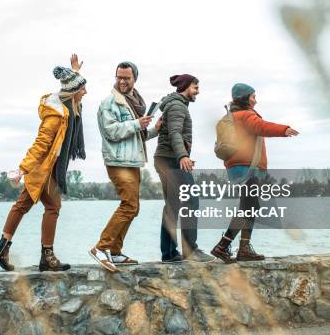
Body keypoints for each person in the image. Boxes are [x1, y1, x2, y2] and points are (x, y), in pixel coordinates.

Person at [0, 54, 87, 272]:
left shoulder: (69, 108)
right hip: (43, 169)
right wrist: (23, 168)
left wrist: (75, 72)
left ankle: (5, 248)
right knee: (46, 206)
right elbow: (40, 144)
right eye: (82, 90)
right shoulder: (55, 116)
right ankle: (43, 255)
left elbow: (73, 87)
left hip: (50, 168)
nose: (85, 93)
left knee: (31, 205)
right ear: (72, 93)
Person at [210, 83, 299, 263]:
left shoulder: (229, 117)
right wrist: (283, 129)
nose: (255, 100)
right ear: (244, 97)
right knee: (248, 207)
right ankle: (223, 246)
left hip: (235, 167)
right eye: (253, 96)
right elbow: (261, 126)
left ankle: (243, 248)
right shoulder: (246, 115)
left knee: (250, 206)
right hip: (248, 167)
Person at [89, 62, 162, 272]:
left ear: (134, 79)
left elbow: (136, 137)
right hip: (117, 162)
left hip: (132, 161)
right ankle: (101, 248)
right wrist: (137, 124)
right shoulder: (109, 102)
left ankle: (115, 251)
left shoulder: (135, 102)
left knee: (133, 208)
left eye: (126, 78)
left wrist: (154, 129)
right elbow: (111, 132)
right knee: (128, 205)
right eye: (119, 77)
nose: (122, 81)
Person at [154, 74, 215, 263]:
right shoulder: (177, 106)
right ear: (186, 87)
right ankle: (190, 250)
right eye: (195, 87)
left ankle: (169, 253)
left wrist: (184, 155)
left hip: (166, 159)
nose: (198, 91)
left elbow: (175, 133)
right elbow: (174, 133)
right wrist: (182, 156)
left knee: (173, 207)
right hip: (170, 159)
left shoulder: (175, 105)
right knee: (191, 202)